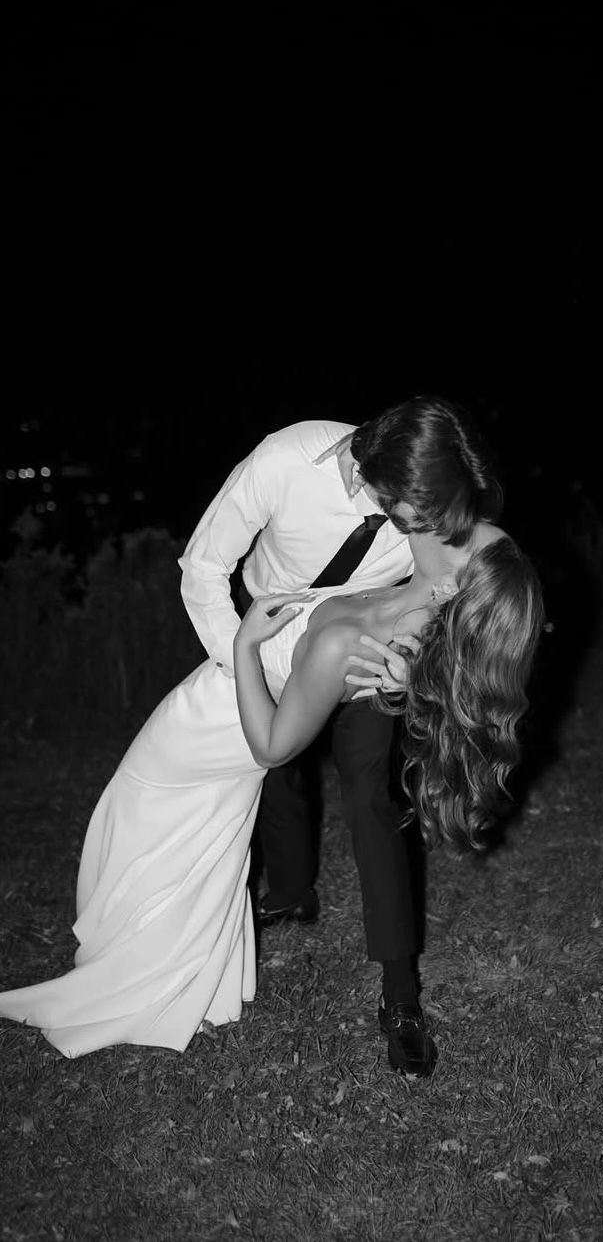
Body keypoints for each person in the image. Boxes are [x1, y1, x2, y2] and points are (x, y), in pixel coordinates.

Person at [0, 518, 545, 1067]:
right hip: (213, 722)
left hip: (211, 729)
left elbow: (272, 748)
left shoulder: (354, 646)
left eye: (463, 535)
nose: (452, 519)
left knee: (138, 812)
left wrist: (244, 643)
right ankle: (157, 971)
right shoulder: (407, 605)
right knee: (180, 849)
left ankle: (124, 978)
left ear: (451, 585)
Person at [176, 396, 503, 1076]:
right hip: (267, 638)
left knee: (370, 797)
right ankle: (292, 892)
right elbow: (202, 568)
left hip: (360, 645)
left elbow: (460, 581)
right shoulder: (284, 461)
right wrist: (238, 662)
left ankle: (401, 997)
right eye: (420, 517)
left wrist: (405, 672)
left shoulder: (426, 508)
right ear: (378, 481)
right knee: (273, 769)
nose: (432, 531)